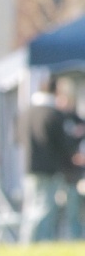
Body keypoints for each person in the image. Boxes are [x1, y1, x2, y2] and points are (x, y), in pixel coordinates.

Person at [18, 78, 70, 243]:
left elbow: (16, 138)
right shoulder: (53, 114)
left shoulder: (26, 112)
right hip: (48, 168)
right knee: (44, 207)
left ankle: (27, 240)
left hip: (28, 167)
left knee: (30, 207)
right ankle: (34, 241)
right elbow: (63, 143)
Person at [56, 77, 85, 240]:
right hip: (64, 170)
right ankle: (71, 237)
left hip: (74, 171)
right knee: (68, 207)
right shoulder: (58, 117)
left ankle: (76, 236)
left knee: (74, 207)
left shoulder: (72, 117)